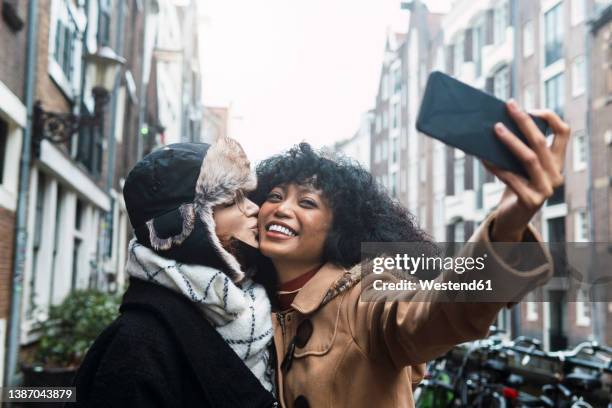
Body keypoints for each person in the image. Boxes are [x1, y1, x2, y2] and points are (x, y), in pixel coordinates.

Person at [251, 101, 569, 407]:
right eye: (275, 196)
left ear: (339, 228)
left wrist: (507, 226)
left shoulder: (362, 294)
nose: (282, 208)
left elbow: (439, 312)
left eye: (307, 203)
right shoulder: (249, 302)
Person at [73, 138, 278, 407]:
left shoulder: (260, 306)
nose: (254, 209)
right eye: (231, 201)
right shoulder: (135, 344)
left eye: (248, 196)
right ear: (191, 226)